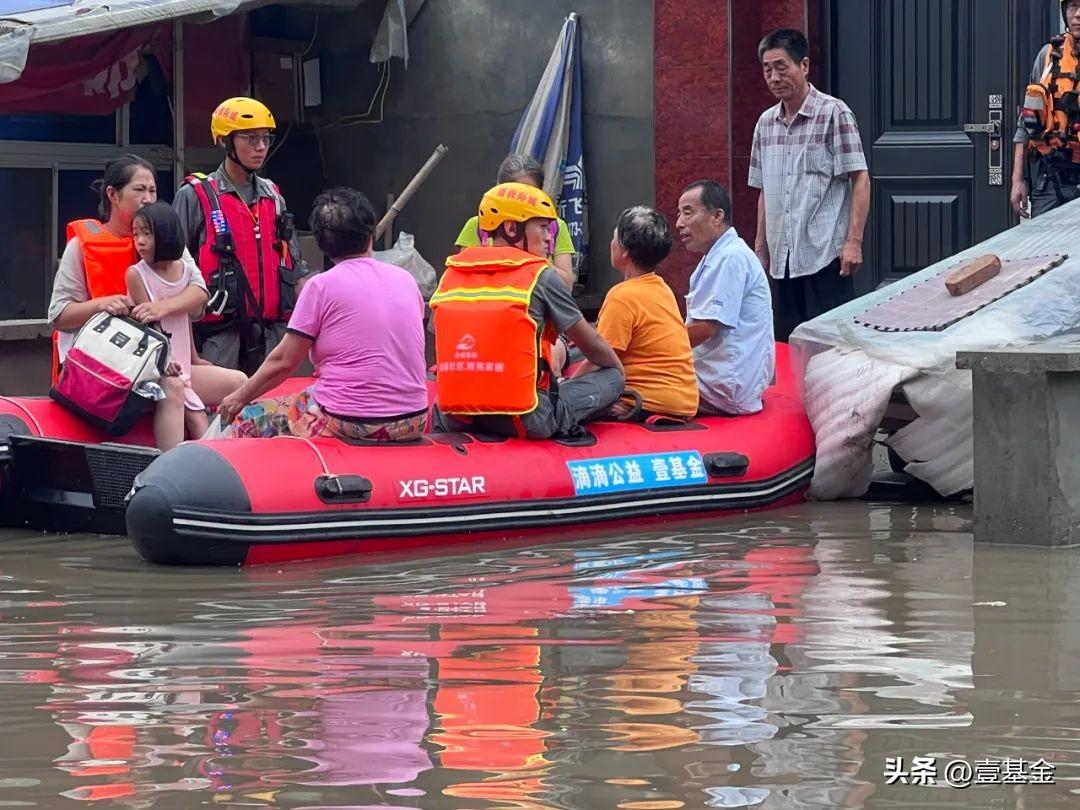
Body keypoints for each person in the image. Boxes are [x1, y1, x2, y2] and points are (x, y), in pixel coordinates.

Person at [216, 187, 428, 442]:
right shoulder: (406, 280)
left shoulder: (321, 286)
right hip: (415, 418)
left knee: (248, 419)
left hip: (347, 419)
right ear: (370, 234)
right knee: (308, 394)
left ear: (321, 243)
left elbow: (284, 361)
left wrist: (240, 397)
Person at [430, 182, 624, 439]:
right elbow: (591, 343)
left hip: (456, 416)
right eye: (543, 227)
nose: (549, 237)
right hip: (526, 418)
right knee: (612, 376)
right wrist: (618, 370)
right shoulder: (542, 275)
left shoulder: (453, 272)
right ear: (512, 228)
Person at [47, 155, 208, 449]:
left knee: (236, 382)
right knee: (173, 388)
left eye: (153, 191)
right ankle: (169, 472)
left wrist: (162, 308)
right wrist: (102, 304)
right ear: (113, 194)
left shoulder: (168, 237)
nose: (148, 199)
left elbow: (198, 296)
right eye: (139, 190)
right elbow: (58, 316)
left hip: (165, 362)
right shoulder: (81, 245)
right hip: (107, 368)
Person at [173, 97, 309, 375]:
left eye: (265, 138)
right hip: (219, 333)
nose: (261, 147)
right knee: (219, 411)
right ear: (225, 141)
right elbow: (173, 269)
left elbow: (293, 263)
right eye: (250, 138)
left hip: (273, 331)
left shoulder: (273, 195)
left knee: (273, 412)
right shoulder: (195, 196)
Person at [750, 28, 870, 342]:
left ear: (804, 66)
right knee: (786, 345)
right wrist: (760, 249)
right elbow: (764, 190)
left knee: (834, 346)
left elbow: (859, 178)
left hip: (824, 254)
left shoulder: (834, 113)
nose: (774, 77)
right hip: (781, 260)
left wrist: (853, 242)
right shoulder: (765, 124)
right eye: (766, 69)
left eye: (781, 66)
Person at [126, 203, 248, 449]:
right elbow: (151, 328)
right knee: (196, 418)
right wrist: (164, 359)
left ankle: (239, 452)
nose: (139, 241)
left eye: (146, 233)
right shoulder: (136, 274)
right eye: (136, 234)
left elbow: (185, 319)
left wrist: (194, 357)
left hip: (185, 367)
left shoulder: (184, 268)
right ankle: (170, 462)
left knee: (240, 382)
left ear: (165, 232)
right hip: (158, 369)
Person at [572, 206, 698, 420]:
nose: (610, 244)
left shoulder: (622, 296)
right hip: (684, 400)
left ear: (624, 251)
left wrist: (568, 387)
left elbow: (599, 359)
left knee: (568, 394)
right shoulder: (662, 288)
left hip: (646, 401)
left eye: (614, 238)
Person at [677, 180, 774, 416]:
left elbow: (704, 328)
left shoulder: (730, 257)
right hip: (717, 379)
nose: (679, 223)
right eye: (678, 214)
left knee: (627, 378)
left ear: (717, 216)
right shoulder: (720, 253)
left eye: (687, 213)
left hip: (722, 390)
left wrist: (652, 345)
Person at [455, 154, 577, 289]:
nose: (522, 202)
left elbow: (567, 285)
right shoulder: (478, 226)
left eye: (529, 194)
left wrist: (535, 261)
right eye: (516, 194)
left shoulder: (556, 227)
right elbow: (464, 278)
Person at [1011, 0, 1080, 219]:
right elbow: (1026, 122)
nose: (1078, 14)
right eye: (1072, 6)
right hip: (1052, 181)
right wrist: (1017, 180)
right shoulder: (1049, 57)